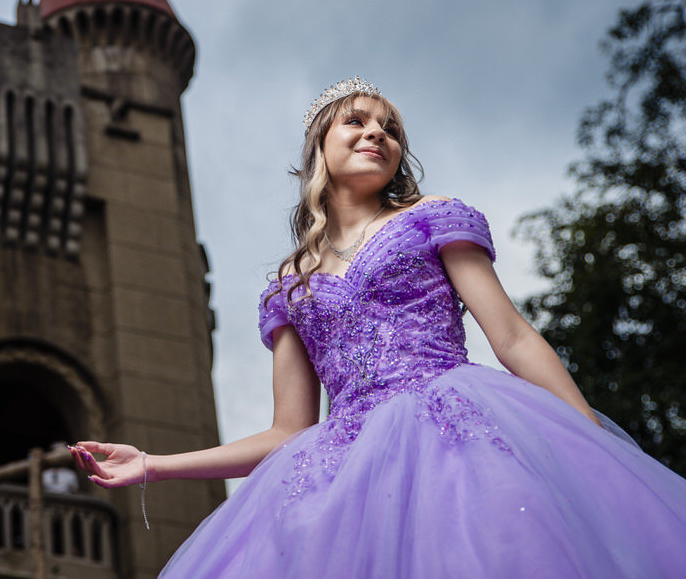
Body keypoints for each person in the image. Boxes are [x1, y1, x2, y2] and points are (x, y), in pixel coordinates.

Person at [69, 77, 686, 578]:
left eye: (390, 129)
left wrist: (585, 436)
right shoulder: (290, 284)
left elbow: (514, 338)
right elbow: (287, 431)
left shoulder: (432, 219)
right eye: (357, 121)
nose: (377, 134)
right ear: (319, 148)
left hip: (457, 434)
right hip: (341, 476)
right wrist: (153, 464)